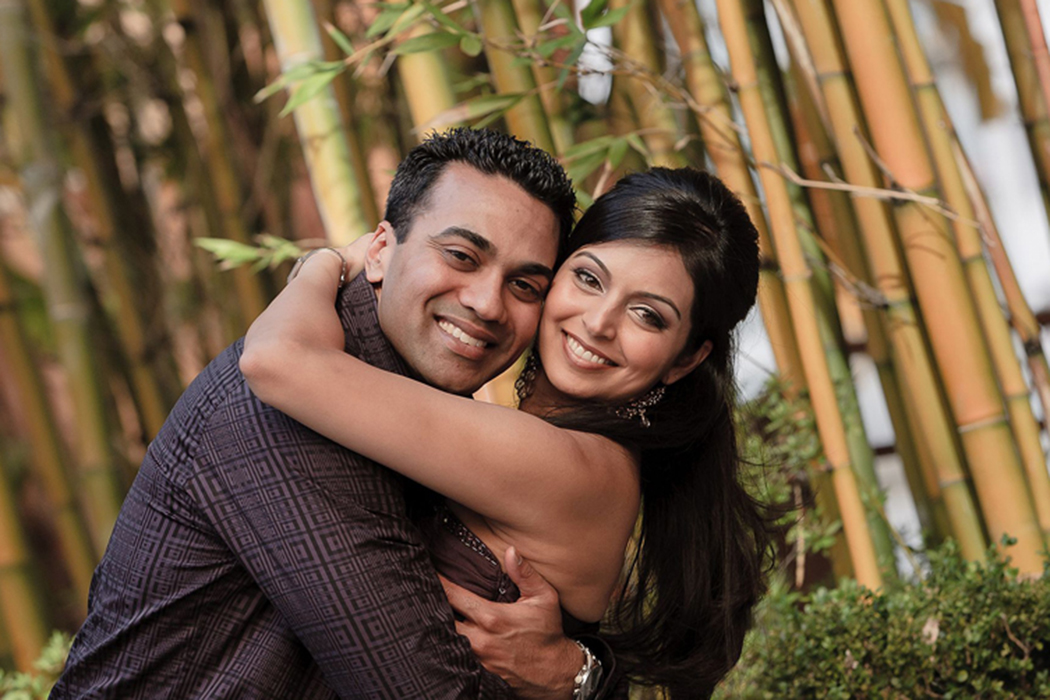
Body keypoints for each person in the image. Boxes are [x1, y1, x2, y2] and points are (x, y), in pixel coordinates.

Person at [52, 128, 622, 699]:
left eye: (524, 285)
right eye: (461, 256)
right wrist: (580, 684)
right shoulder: (291, 412)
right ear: (379, 251)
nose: (487, 303)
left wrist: (576, 668)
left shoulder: (422, 411)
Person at [241, 166, 776, 698]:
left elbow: (277, 360)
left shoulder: (572, 467)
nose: (598, 323)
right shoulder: (554, 440)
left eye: (647, 315)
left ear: (685, 358)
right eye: (589, 279)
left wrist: (329, 262)